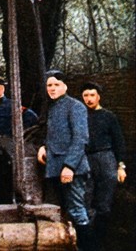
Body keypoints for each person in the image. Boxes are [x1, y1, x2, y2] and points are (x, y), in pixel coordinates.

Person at [37, 70, 93, 251]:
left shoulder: (75, 106)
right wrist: (44, 146)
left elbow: (80, 138)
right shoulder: (53, 108)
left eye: (56, 85)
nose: (52, 89)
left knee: (77, 211)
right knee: (62, 212)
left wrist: (69, 166)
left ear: (65, 86)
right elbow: (56, 135)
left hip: (71, 170)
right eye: (49, 85)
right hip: (54, 168)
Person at [81, 81, 127, 248]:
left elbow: (119, 142)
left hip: (106, 158)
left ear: (98, 96)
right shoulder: (80, 116)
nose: (89, 99)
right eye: (85, 96)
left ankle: (102, 241)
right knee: (85, 199)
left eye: (92, 95)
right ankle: (87, 242)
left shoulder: (109, 116)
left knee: (104, 203)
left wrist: (121, 166)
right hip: (86, 160)